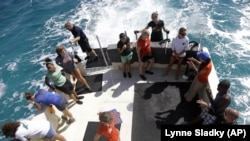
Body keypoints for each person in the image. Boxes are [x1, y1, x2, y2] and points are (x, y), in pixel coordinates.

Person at [1, 120, 67, 141]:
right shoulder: (20, 122)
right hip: (44, 123)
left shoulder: (17, 134)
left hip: (44, 130)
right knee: (52, 137)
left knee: (56, 136)